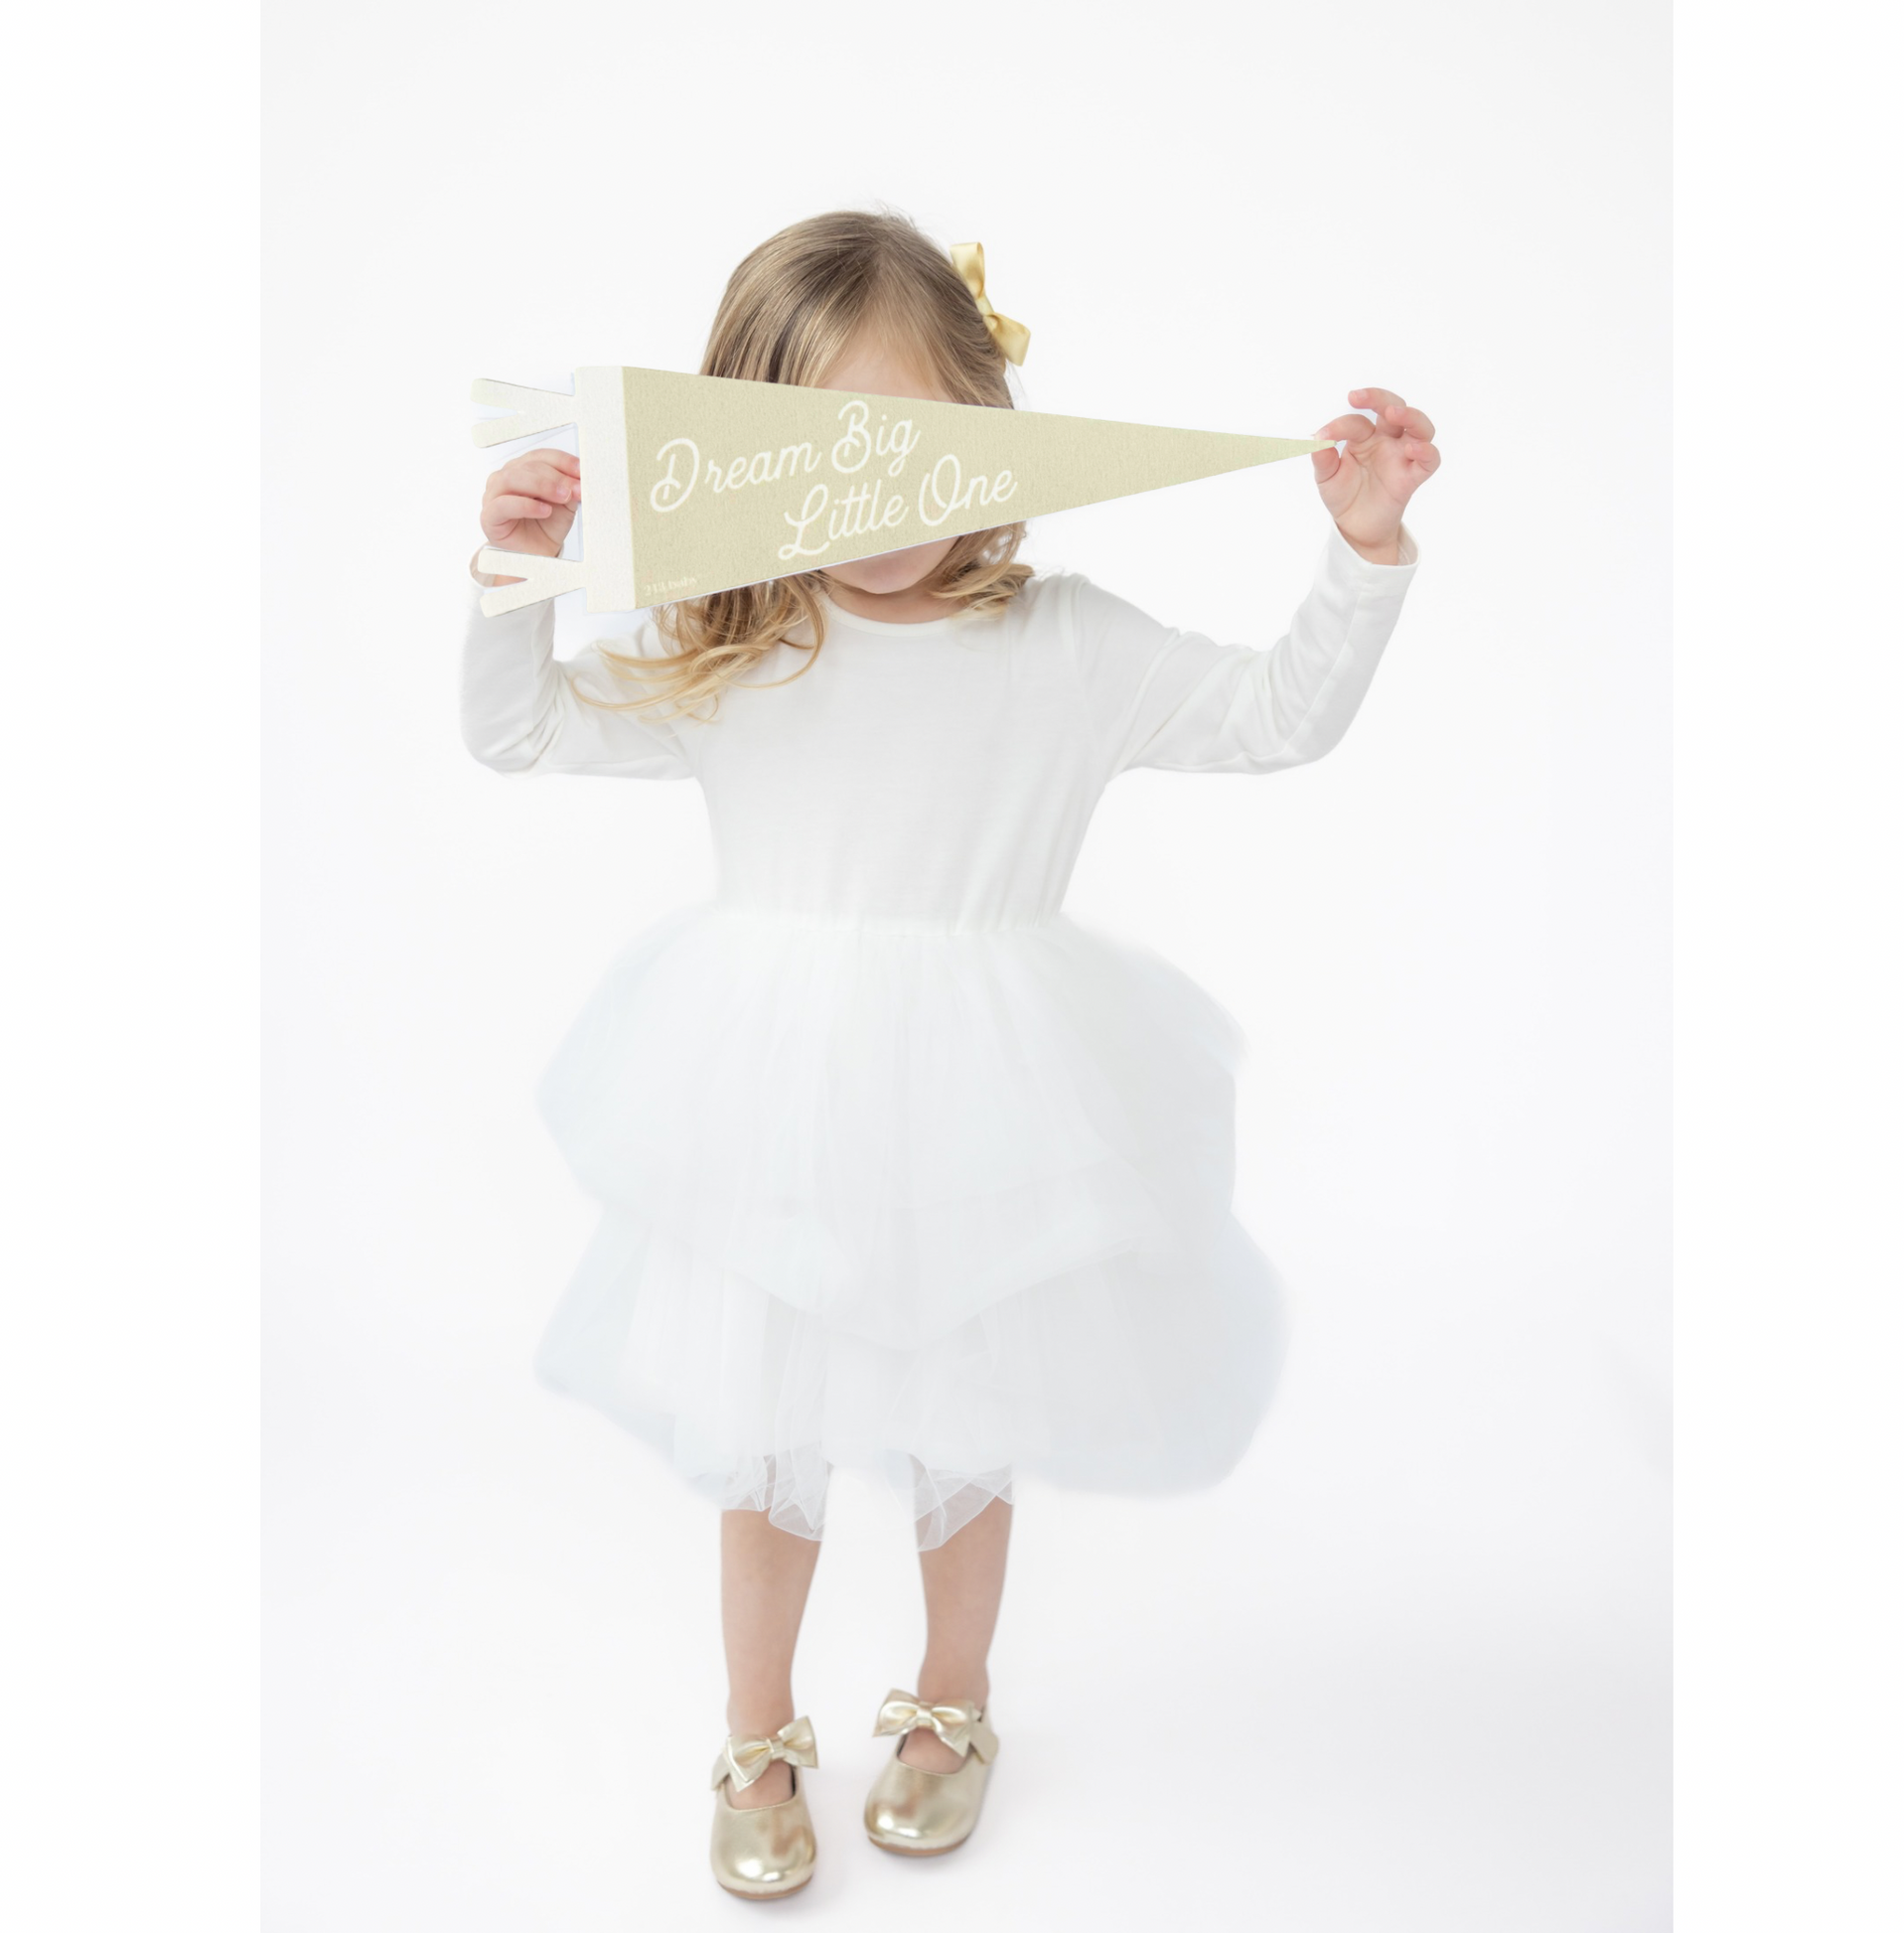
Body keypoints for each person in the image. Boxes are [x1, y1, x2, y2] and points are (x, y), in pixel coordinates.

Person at [461, 208, 1438, 1899]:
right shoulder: (739, 649)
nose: (871, 501)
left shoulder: (1058, 646)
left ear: (989, 434)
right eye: (817, 456)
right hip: (764, 1098)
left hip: (989, 1102)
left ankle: (952, 1692)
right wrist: (513, 578)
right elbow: (517, 728)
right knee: (763, 1439)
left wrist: (1358, 555)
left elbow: (1275, 717)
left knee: (960, 1416)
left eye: (912, 450)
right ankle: (756, 1719)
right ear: (742, 457)